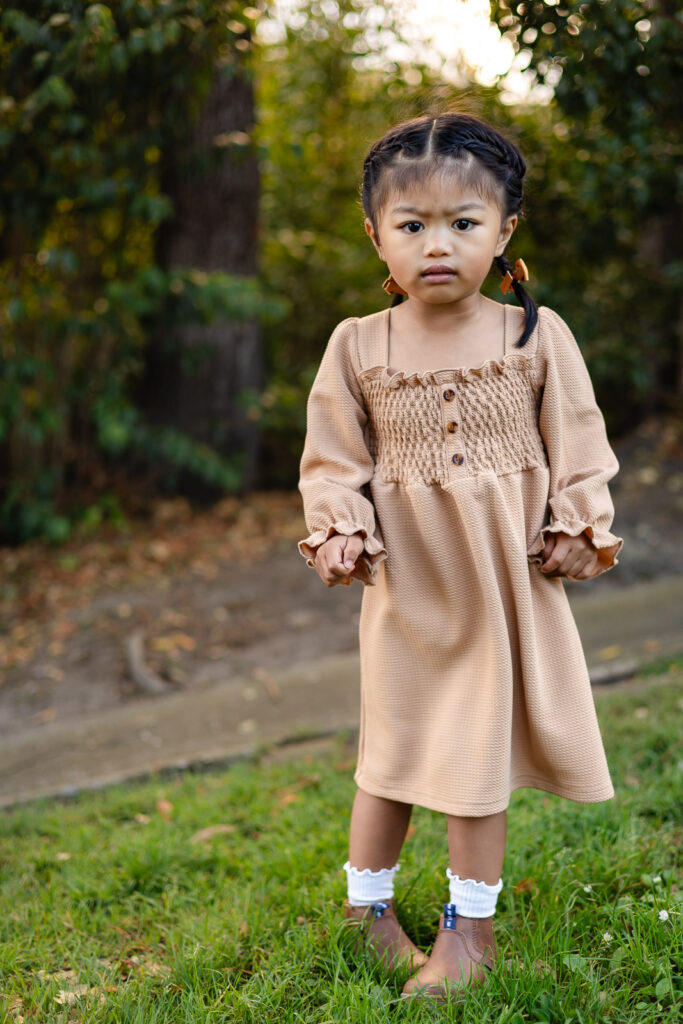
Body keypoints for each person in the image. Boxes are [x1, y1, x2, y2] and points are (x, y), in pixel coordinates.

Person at [296, 112, 622, 1002]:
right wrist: (339, 527)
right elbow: (332, 461)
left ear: (504, 231)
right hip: (409, 591)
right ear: (376, 235)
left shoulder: (533, 336)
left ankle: (467, 934)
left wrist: (576, 519)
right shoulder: (357, 344)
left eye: (462, 223)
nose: (436, 244)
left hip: (501, 585)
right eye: (412, 225)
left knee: (476, 763)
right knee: (391, 756)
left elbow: (582, 449)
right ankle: (368, 915)